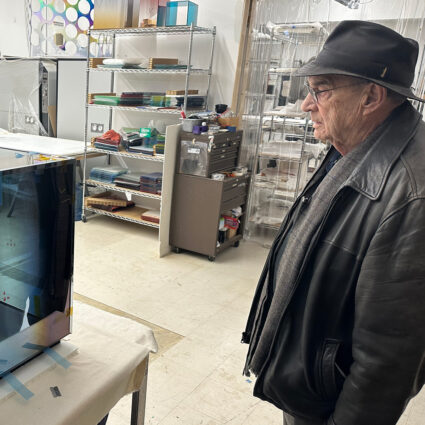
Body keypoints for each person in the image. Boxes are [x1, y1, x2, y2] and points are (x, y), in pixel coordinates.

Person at [242, 20, 425, 425]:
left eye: (320, 90)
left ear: (371, 96)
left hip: (332, 404)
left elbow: (388, 362)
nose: (307, 105)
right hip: (312, 380)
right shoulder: (357, 143)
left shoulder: (413, 196)